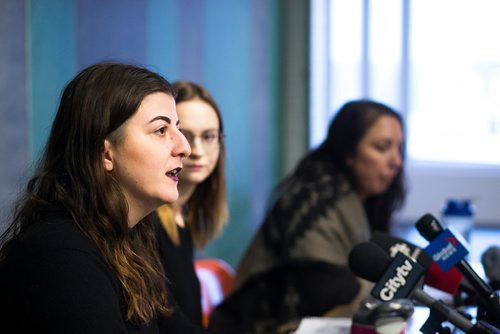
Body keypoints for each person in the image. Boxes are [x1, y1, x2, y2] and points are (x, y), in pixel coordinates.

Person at [0, 62, 206, 333]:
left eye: (176, 128)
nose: (185, 147)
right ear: (106, 153)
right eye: (160, 130)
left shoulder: (131, 241)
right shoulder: (59, 256)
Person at [209, 99, 406, 334]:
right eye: (382, 147)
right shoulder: (313, 199)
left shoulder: (363, 198)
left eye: (399, 149)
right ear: (349, 152)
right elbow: (325, 291)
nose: (396, 161)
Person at [153, 81, 229, 328]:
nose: (195, 150)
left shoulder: (184, 215)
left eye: (208, 137)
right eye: (185, 134)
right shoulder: (146, 221)